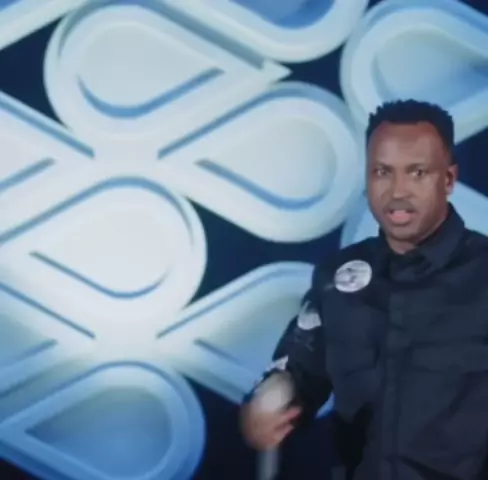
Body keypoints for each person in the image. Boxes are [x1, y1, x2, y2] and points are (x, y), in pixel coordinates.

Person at [239, 99, 488, 479]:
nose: (398, 191)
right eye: (383, 172)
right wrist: (266, 404)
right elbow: (298, 370)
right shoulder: (338, 278)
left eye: (417, 173)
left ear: (448, 179)